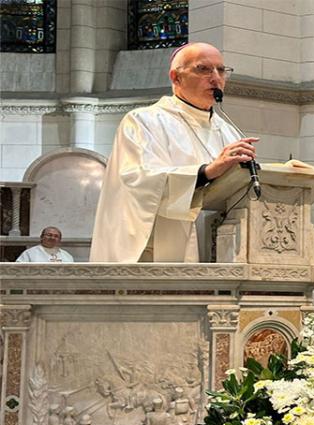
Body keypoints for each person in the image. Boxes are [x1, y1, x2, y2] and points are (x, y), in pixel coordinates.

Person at [90, 42, 258, 262]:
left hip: (220, 252)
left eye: (221, 70)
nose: (216, 77)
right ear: (176, 77)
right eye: (203, 69)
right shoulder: (144, 121)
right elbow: (137, 180)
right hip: (160, 251)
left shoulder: (228, 132)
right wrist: (205, 172)